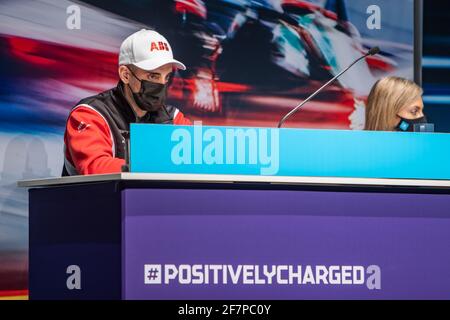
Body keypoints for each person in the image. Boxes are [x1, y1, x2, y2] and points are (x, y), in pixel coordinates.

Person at [62, 29, 192, 176]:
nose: (162, 84)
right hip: (97, 198)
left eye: (167, 77)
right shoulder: (89, 114)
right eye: (153, 76)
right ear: (125, 75)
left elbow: (198, 161)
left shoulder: (173, 119)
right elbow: (95, 168)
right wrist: (160, 165)